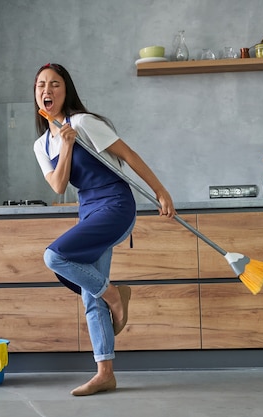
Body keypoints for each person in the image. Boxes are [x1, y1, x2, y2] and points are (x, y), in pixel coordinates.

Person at [33, 63, 176, 396]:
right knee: (90, 291)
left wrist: (161, 191)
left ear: (65, 91)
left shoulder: (84, 123)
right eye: (41, 85)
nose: (47, 91)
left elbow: (128, 154)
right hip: (88, 212)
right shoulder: (43, 145)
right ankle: (105, 372)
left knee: (54, 257)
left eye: (55, 84)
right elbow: (58, 185)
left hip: (115, 205)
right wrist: (66, 145)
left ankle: (115, 293)